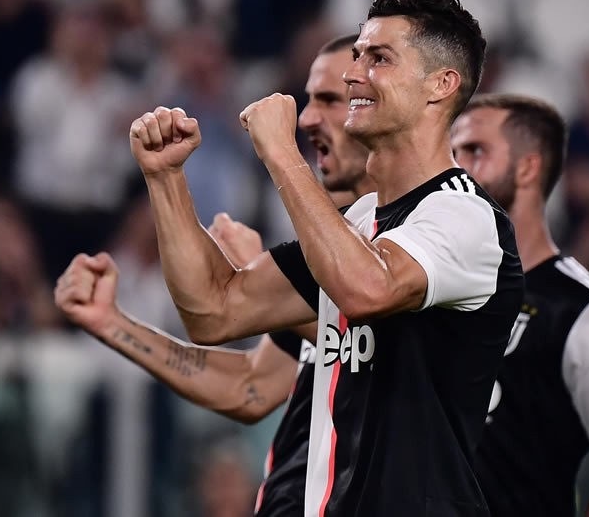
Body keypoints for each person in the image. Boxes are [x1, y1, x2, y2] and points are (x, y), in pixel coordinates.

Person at [128, 0, 523, 516]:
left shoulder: (464, 215)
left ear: (441, 85)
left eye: (379, 58)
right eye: (357, 56)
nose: (355, 73)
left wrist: (281, 154)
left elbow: (366, 288)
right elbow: (214, 310)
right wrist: (167, 178)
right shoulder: (358, 222)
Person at [56, 35, 372, 517]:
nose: (307, 119)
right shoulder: (332, 251)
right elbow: (249, 386)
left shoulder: (418, 240)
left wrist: (261, 291)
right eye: (308, 101)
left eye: (329, 100)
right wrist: (112, 323)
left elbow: (220, 309)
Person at [451, 93, 589, 517]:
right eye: (452, 152)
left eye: (475, 151)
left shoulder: (578, 309)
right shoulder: (432, 293)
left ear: (528, 167)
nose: (456, 168)